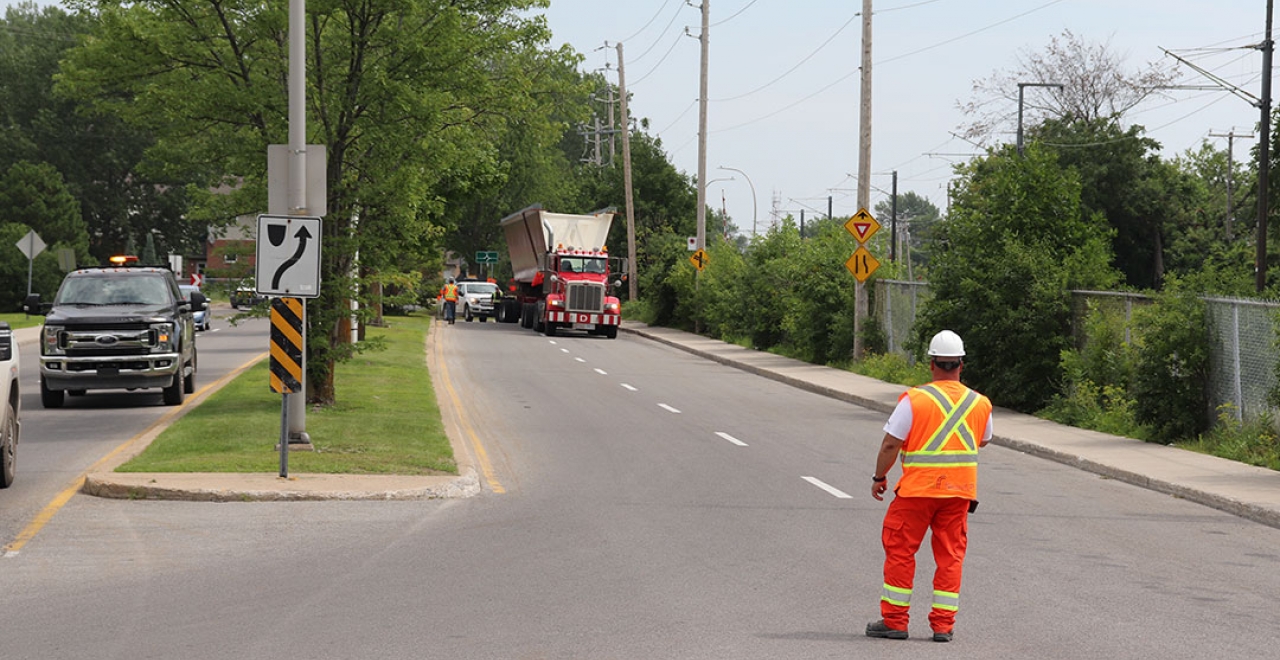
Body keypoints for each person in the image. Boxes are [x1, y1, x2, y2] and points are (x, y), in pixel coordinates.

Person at [865, 330, 993, 644]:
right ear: (961, 364)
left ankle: (895, 622)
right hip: (958, 494)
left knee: (900, 552)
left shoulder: (915, 400)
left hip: (916, 493)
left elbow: (890, 445)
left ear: (932, 363)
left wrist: (879, 478)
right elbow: (984, 439)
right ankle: (943, 626)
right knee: (950, 558)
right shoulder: (980, 403)